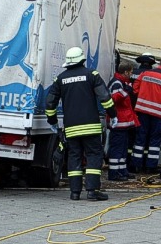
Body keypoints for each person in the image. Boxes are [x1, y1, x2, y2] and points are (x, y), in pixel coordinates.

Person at [45, 46, 117, 201]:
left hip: (71, 128)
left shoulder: (60, 79)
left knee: (74, 157)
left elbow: (50, 103)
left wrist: (53, 122)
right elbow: (104, 97)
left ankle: (75, 193)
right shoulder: (92, 75)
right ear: (82, 60)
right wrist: (113, 115)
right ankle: (92, 191)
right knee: (93, 156)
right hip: (90, 126)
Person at [132, 55, 161, 174]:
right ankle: (150, 167)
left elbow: (135, 88)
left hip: (142, 111)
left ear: (159, 63)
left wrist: (143, 96)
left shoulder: (145, 74)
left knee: (140, 138)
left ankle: (136, 166)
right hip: (158, 114)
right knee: (154, 141)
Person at [107, 60, 140, 181]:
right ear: (125, 72)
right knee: (117, 149)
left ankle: (121, 171)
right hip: (118, 123)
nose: (131, 75)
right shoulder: (117, 83)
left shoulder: (120, 83)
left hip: (123, 123)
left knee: (122, 148)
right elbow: (113, 99)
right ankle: (114, 173)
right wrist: (125, 92)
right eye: (130, 72)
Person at [127, 52, 156, 169]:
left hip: (131, 110)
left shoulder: (132, 73)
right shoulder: (153, 75)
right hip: (147, 111)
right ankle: (145, 164)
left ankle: (130, 163)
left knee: (131, 137)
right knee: (146, 137)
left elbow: (129, 91)